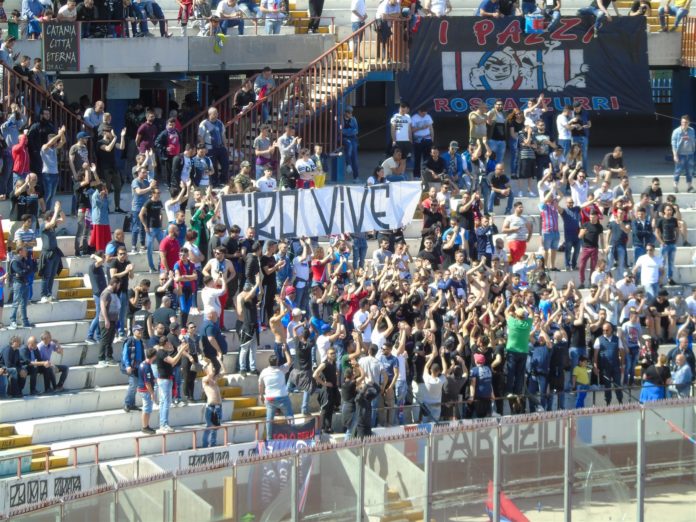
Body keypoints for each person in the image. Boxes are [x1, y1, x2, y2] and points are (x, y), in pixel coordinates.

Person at [258, 343, 294, 440]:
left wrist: (261, 395)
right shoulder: (281, 369)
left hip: (270, 399)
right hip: (282, 397)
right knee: (289, 416)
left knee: (269, 420)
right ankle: (293, 435)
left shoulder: (264, 372)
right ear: (277, 362)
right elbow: (290, 361)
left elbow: (260, 385)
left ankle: (269, 439)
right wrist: (285, 350)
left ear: (269, 362)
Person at [155, 335, 188, 434]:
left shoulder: (162, 352)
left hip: (165, 380)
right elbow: (173, 361)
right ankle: (164, 425)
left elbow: (172, 363)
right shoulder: (161, 353)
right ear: (165, 343)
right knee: (165, 402)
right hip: (164, 381)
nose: (170, 344)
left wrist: (180, 351)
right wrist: (181, 350)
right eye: (168, 343)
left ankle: (163, 424)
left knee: (163, 402)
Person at [593, 322, 624, 406]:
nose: (605, 332)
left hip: (616, 366)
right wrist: (595, 366)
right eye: (603, 330)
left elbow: (621, 352)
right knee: (607, 386)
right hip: (604, 367)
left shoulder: (617, 339)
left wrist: (622, 365)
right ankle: (608, 403)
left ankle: (620, 401)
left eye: (607, 330)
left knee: (617, 384)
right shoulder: (598, 339)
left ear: (611, 330)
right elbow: (595, 354)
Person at [121, 324, 146, 412]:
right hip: (132, 367)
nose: (140, 332)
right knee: (133, 386)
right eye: (138, 330)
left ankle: (132, 404)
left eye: (141, 330)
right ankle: (127, 404)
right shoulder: (130, 340)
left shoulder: (140, 341)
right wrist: (127, 365)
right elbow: (125, 354)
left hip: (138, 367)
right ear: (134, 331)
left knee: (135, 386)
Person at [8, 245, 33, 330]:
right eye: (25, 250)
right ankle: (13, 321)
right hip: (18, 284)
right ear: (20, 251)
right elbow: (20, 272)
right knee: (16, 303)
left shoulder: (25, 260)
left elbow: (32, 269)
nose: (27, 252)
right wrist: (26, 269)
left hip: (25, 283)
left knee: (24, 304)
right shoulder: (15, 261)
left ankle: (25, 321)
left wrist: (26, 270)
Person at [202, 358, 224, 447]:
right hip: (211, 407)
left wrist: (219, 361)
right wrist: (210, 362)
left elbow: (224, 371)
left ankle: (213, 444)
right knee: (209, 426)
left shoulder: (214, 378)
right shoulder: (205, 380)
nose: (213, 370)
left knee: (215, 428)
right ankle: (205, 445)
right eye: (211, 368)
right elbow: (210, 374)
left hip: (218, 406)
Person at [670, 115, 695, 193]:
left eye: (686, 122)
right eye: (683, 122)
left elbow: (694, 141)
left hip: (690, 154)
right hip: (680, 155)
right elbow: (673, 144)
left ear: (689, 123)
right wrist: (675, 155)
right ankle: (675, 186)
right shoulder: (676, 131)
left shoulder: (692, 130)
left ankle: (689, 187)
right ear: (681, 122)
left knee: (690, 171)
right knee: (678, 171)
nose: (684, 124)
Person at [137, 348, 158, 434]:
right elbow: (147, 382)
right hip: (146, 390)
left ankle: (146, 426)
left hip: (143, 389)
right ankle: (145, 427)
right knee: (147, 408)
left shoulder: (142, 364)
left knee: (147, 408)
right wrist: (152, 393)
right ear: (154, 356)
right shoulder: (147, 367)